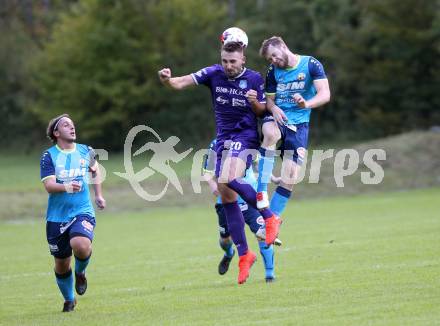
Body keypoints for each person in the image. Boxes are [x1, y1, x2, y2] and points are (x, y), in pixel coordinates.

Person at [158, 39, 281, 284]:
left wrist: (254, 102)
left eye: (233, 62)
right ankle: (245, 255)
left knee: (228, 178)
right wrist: (167, 80)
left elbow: (262, 111)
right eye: (225, 61)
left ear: (243, 59)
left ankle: (269, 216)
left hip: (245, 137)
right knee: (226, 196)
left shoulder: (255, 78)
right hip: (223, 139)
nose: (228, 66)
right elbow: (181, 82)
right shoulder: (214, 73)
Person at [256, 36, 331, 219]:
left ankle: (271, 222)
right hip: (277, 116)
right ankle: (261, 190)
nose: (273, 61)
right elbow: (269, 102)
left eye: (274, 55)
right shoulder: (273, 71)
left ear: (282, 46)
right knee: (271, 134)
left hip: (299, 123)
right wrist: (273, 109)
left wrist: (306, 103)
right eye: (270, 59)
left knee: (290, 178)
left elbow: (325, 94)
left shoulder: (311, 64)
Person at [40, 114, 106, 312]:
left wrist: (98, 195)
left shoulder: (87, 150)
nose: (72, 127)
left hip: (82, 210)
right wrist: (67, 186)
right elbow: (49, 186)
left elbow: (96, 171)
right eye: (66, 125)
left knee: (80, 244)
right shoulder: (49, 155)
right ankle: (69, 299)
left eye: (73, 124)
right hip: (56, 217)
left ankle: (81, 272)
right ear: (56, 132)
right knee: (61, 264)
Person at [203, 139, 281, 282]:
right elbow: (206, 172)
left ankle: (270, 274)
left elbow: (258, 164)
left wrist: (274, 178)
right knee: (225, 240)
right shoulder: (215, 144)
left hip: (249, 197)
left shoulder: (246, 141)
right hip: (226, 200)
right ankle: (229, 253)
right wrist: (212, 185)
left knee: (262, 233)